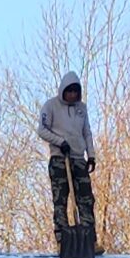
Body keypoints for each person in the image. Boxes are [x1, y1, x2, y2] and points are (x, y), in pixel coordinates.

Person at [35, 70, 96, 240]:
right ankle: (62, 238)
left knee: (85, 198)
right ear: (63, 90)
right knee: (60, 199)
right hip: (59, 159)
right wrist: (60, 142)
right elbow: (42, 130)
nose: (72, 95)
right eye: (69, 91)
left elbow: (87, 132)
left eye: (75, 92)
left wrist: (91, 155)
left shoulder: (81, 109)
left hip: (78, 158)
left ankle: (88, 238)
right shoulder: (51, 106)